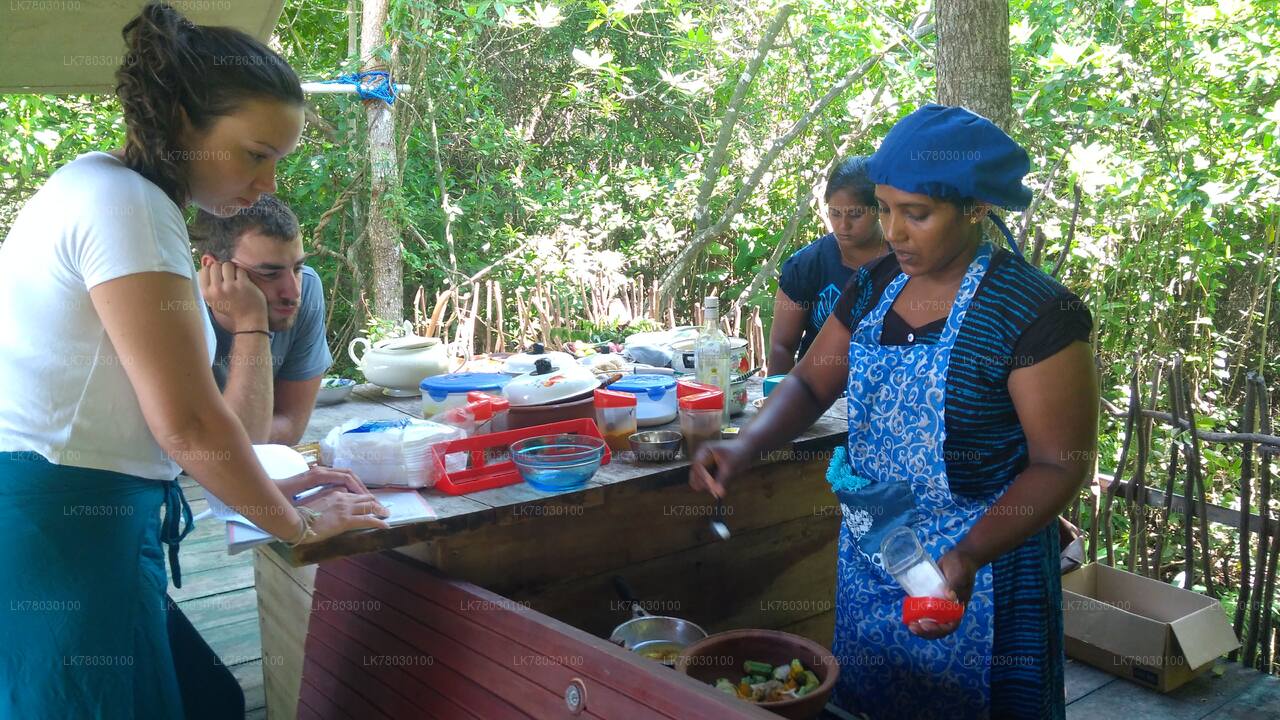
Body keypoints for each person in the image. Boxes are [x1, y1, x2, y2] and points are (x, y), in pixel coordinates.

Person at [0, 4, 388, 717]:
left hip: (91, 517)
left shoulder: (99, 186)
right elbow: (185, 423)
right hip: (61, 527)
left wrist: (287, 481)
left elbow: (212, 427)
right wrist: (299, 525)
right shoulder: (128, 206)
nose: (267, 184)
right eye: (255, 153)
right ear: (182, 121)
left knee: (207, 699)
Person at [691, 104, 1098, 719]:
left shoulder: (1032, 313)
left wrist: (964, 558)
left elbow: (1058, 465)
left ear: (975, 209)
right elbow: (808, 386)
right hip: (877, 554)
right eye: (884, 208)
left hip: (984, 569)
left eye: (917, 214)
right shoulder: (879, 283)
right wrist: (744, 447)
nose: (894, 232)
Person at [190, 195, 332, 445]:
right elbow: (213, 445)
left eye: (297, 268)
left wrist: (219, 436)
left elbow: (289, 425)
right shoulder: (175, 310)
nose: (293, 292)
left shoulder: (307, 289)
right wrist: (250, 320)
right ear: (214, 268)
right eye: (269, 274)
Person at [768, 157, 886, 374]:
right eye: (835, 213)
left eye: (855, 215)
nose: (843, 225)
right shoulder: (805, 266)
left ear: (878, 208)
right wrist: (777, 402)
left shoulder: (905, 261)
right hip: (815, 392)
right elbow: (782, 347)